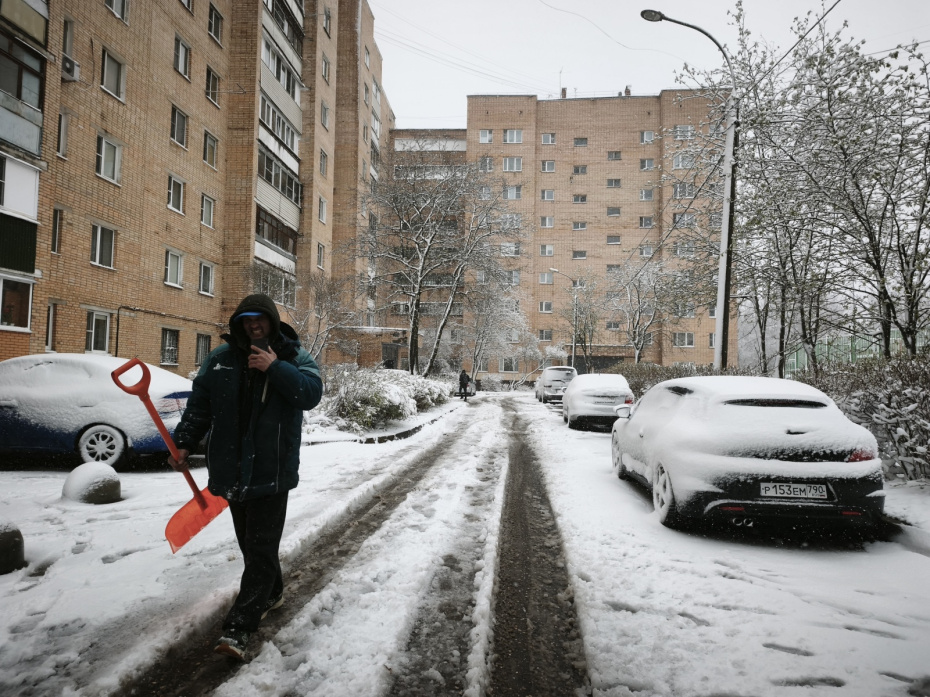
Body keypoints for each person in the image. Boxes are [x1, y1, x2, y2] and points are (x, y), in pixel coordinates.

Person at [169, 293, 323, 661]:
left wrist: (274, 367)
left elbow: (311, 394)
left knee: (260, 548)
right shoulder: (220, 360)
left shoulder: (294, 357)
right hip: (231, 469)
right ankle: (271, 591)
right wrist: (185, 443)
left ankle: (238, 627)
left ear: (271, 321)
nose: (254, 325)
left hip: (272, 471)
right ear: (239, 323)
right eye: (247, 319)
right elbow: (199, 405)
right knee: (252, 546)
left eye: (260, 319)